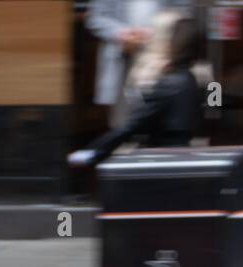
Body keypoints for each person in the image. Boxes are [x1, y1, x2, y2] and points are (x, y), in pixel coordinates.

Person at [67, 11, 203, 167]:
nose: (148, 38)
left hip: (164, 160)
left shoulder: (170, 82)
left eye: (154, 33)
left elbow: (132, 125)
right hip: (175, 157)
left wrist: (92, 151)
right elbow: (214, 103)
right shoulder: (187, 77)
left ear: (166, 42)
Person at [85, 0, 160, 126]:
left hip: (159, 52)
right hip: (120, 52)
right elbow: (94, 18)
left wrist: (154, 32)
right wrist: (122, 33)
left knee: (156, 101)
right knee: (121, 115)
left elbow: (182, 13)